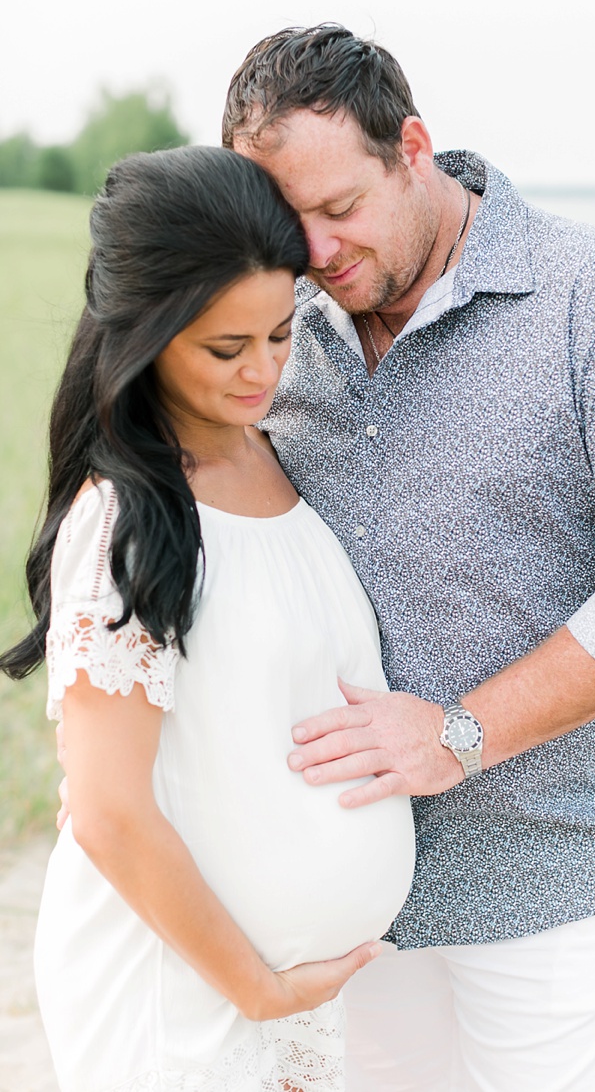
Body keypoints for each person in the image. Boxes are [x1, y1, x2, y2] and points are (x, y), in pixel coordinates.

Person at [220, 24, 595, 1091]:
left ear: (413, 146)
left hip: (559, 879)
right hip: (350, 892)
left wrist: (460, 734)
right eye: (290, 225)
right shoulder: (277, 326)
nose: (318, 253)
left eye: (340, 209)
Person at [0, 145, 415, 1092]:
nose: (262, 370)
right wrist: (260, 989)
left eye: (279, 334)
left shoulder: (273, 450)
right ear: (142, 335)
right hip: (180, 994)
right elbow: (108, 813)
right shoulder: (128, 524)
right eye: (226, 349)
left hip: (287, 995)